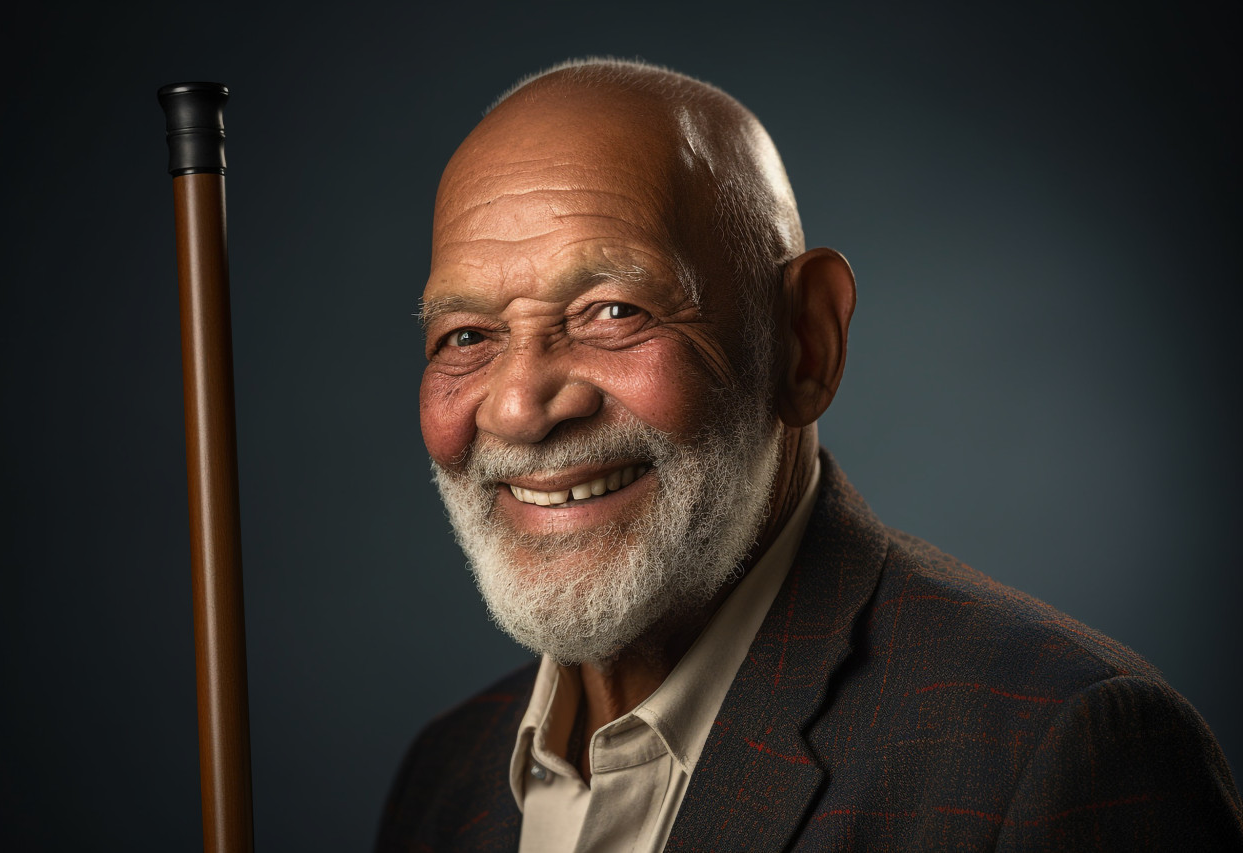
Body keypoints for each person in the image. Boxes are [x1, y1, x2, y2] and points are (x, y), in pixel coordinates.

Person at [377, 59, 1242, 851]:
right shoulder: (445, 780)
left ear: (805, 343)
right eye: (466, 334)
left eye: (614, 311)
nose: (523, 405)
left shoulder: (1058, 754)